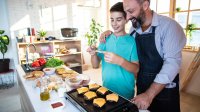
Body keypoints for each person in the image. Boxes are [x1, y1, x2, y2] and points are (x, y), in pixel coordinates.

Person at [99, 0, 186, 112]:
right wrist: (107, 33)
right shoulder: (133, 30)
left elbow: (172, 65)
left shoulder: (170, 26)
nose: (128, 17)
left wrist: (149, 94)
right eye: (126, 12)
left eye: (130, 11)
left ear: (145, 5)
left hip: (164, 92)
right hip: (142, 88)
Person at [87, 2, 139, 100]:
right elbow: (95, 65)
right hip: (106, 89)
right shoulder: (105, 39)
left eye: (118, 20)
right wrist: (93, 54)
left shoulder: (132, 41)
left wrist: (120, 61)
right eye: (112, 20)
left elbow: (136, 69)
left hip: (126, 92)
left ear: (126, 20)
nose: (114, 24)